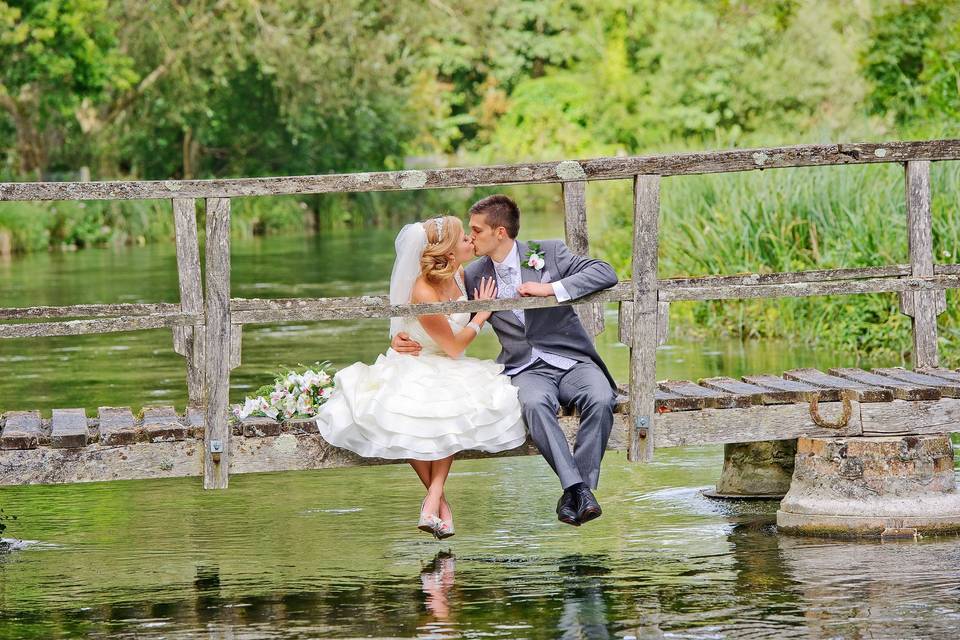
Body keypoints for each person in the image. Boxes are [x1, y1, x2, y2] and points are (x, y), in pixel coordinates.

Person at [393, 195, 619, 527]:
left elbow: (605, 272)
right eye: (467, 232)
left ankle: (578, 489)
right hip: (525, 368)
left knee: (601, 399)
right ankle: (578, 491)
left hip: (572, 360)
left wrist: (551, 289)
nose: (470, 238)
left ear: (500, 232)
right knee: (534, 405)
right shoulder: (470, 275)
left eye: (476, 230)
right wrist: (402, 335)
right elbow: (430, 299)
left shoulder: (549, 252)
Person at [315, 215, 526, 539]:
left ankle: (433, 501)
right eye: (464, 238)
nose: (471, 240)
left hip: (448, 363)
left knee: (449, 407)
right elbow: (454, 347)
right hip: (420, 360)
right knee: (413, 410)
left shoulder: (459, 274)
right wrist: (481, 314)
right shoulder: (423, 291)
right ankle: (437, 501)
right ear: (448, 249)